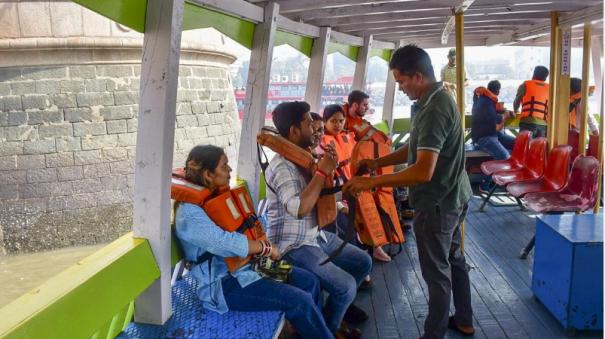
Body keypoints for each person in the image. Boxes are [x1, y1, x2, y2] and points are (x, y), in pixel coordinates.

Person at [344, 45, 474, 339]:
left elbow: (421, 171)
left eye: (401, 81)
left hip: (438, 203)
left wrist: (371, 182)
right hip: (455, 195)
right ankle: (464, 319)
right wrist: (378, 162)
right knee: (454, 259)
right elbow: (415, 147)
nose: (400, 88)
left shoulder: (433, 109)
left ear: (417, 76)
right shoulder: (435, 99)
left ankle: (434, 334)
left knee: (436, 272)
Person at [174, 145, 333, 339]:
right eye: (224, 167)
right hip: (225, 284)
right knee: (300, 301)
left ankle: (306, 333)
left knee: (310, 282)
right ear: (208, 174)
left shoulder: (218, 196)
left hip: (253, 266)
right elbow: (222, 242)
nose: (230, 170)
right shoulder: (189, 213)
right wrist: (266, 248)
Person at [264, 101, 373, 339]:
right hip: (292, 246)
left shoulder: (306, 157)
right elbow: (299, 208)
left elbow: (319, 195)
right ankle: (327, 330)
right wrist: (323, 172)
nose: (315, 126)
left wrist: (338, 188)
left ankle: (332, 312)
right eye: (307, 122)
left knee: (363, 262)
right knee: (345, 286)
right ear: (293, 131)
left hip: (315, 236)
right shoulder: (282, 167)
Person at [322, 104, 392, 263]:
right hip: (339, 193)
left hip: (355, 186)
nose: (338, 125)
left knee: (373, 210)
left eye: (341, 121)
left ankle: (375, 247)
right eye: (333, 121)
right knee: (350, 220)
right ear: (325, 121)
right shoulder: (322, 144)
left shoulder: (348, 137)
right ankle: (361, 255)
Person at [471, 80, 516, 192]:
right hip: (484, 138)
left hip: (493, 134)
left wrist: (503, 111)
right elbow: (496, 120)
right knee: (503, 155)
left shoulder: (484, 99)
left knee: (518, 144)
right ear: (498, 91)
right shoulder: (485, 101)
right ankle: (485, 184)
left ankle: (513, 180)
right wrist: (505, 115)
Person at [513, 65, 550, 137]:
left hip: (527, 122)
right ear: (545, 78)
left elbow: (517, 102)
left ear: (533, 74)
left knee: (525, 146)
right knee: (539, 147)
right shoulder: (549, 88)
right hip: (543, 125)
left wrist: (515, 111)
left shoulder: (525, 85)